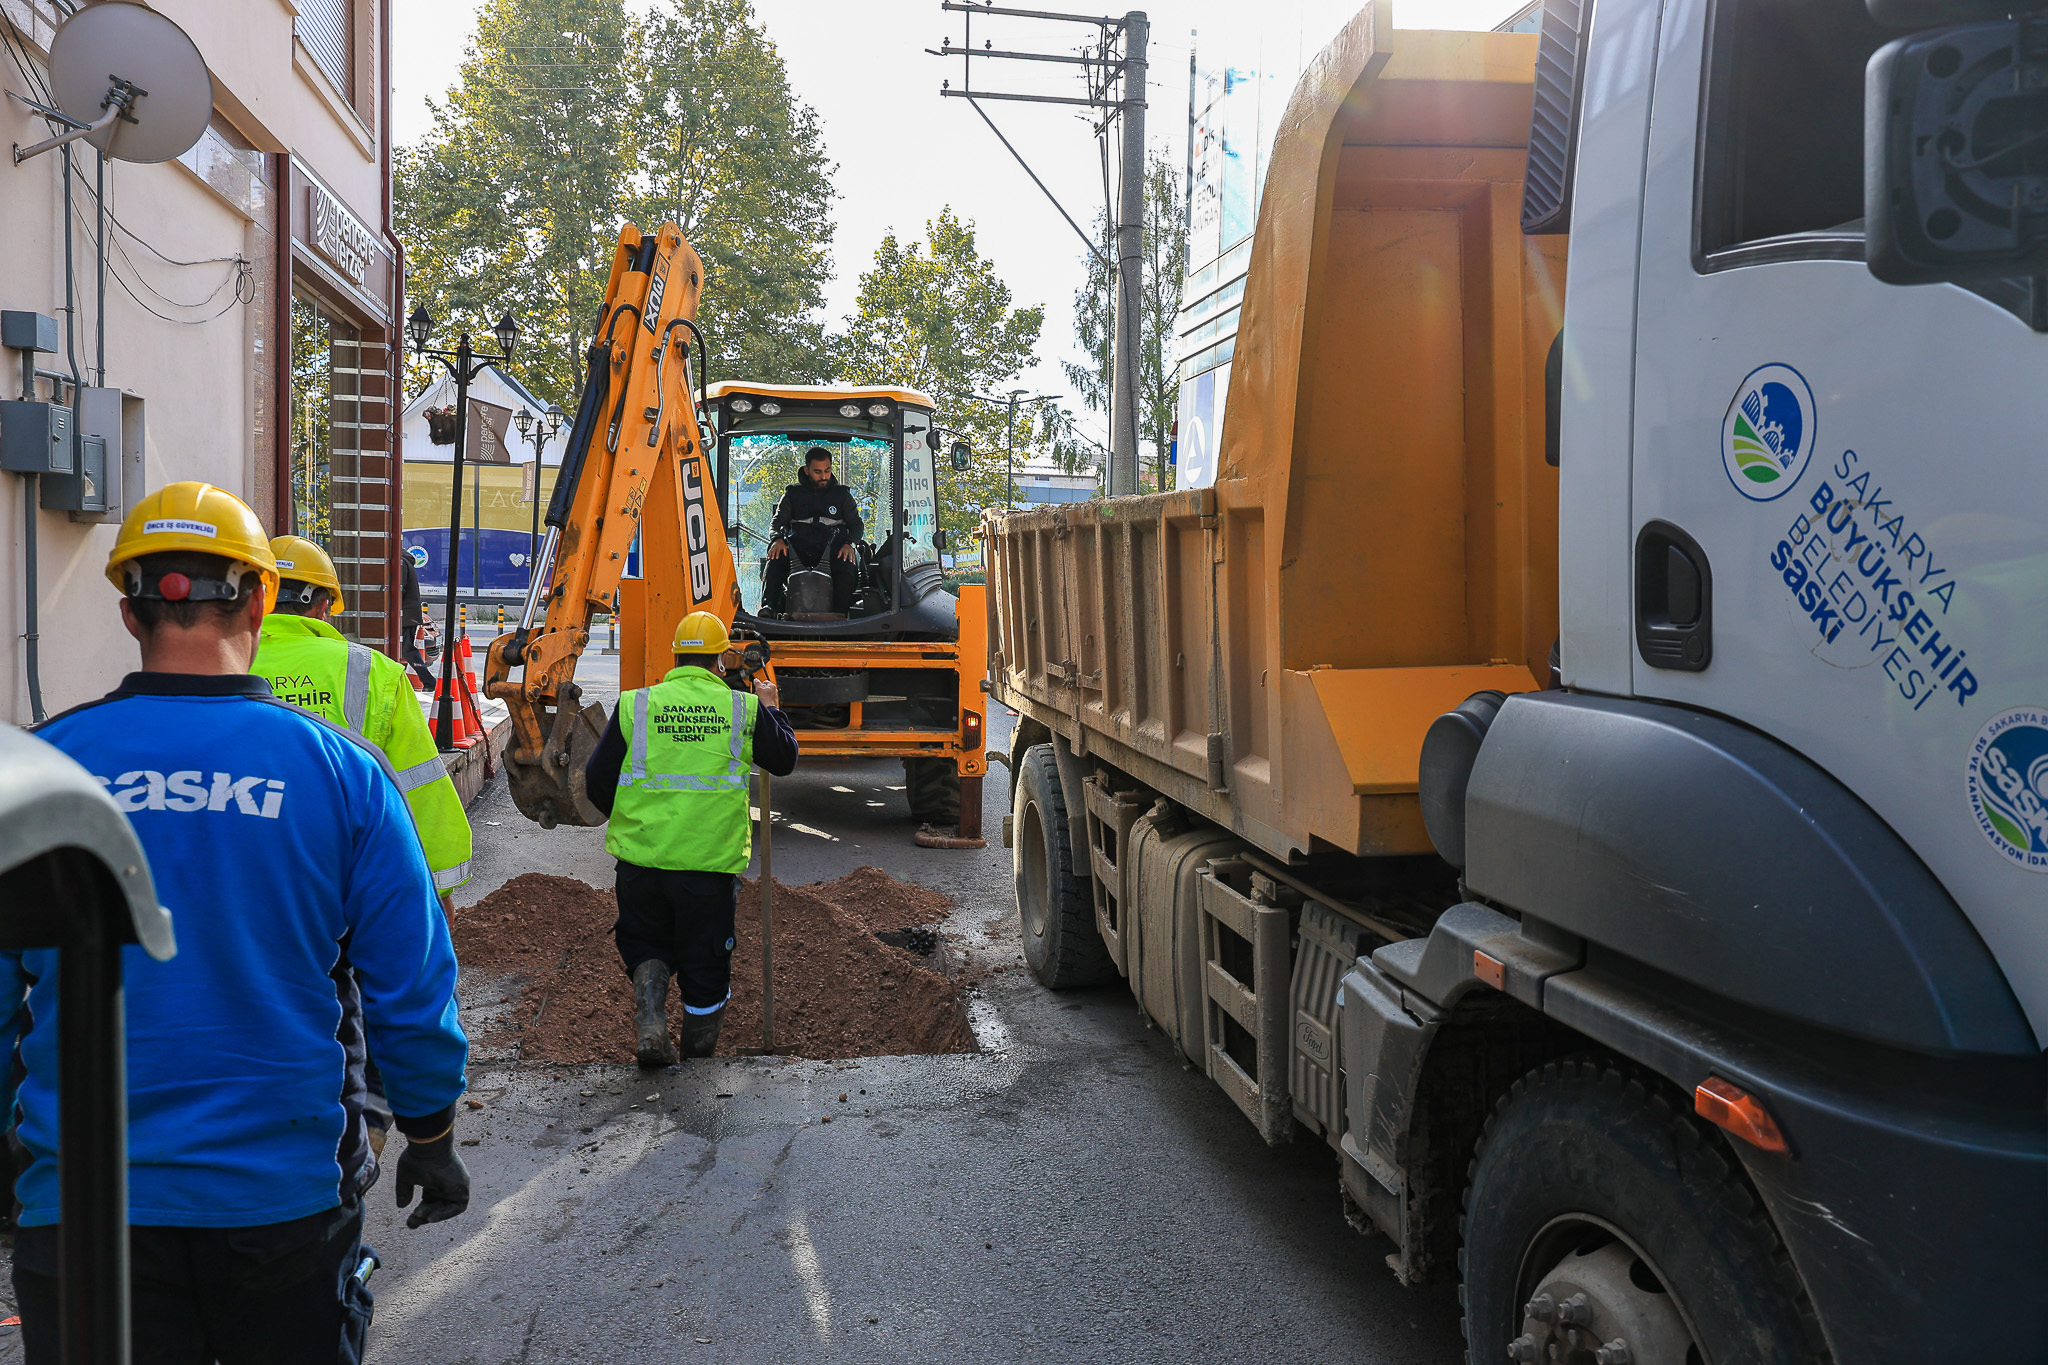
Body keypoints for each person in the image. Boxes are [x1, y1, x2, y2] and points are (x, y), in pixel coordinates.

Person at [11, 482, 471, 1363]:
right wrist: (431, 1131)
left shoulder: (47, 768)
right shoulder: (340, 773)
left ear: (126, 609)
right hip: (282, 1208)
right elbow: (411, 983)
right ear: (259, 597)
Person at [582, 611, 798, 1065]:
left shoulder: (636, 704)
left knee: (645, 943)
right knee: (705, 968)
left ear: (676, 656)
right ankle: (698, 1063)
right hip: (707, 870)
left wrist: (636, 821)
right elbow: (783, 761)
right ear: (722, 660)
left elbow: (598, 781)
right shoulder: (744, 708)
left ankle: (651, 1021)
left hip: (640, 865)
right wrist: (773, 707)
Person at [256, 535, 474, 912]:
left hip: (241, 880)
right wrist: (439, 888)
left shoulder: (215, 664)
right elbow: (418, 785)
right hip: (342, 883)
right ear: (325, 605)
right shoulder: (374, 673)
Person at [763, 445, 864, 615]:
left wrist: (850, 544)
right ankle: (769, 607)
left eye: (827, 470)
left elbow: (856, 524)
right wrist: (777, 539)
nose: (823, 476)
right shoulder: (792, 494)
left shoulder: (842, 495)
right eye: (818, 472)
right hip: (798, 549)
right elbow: (777, 522)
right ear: (807, 470)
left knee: (848, 563)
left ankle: (841, 615)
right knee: (775, 557)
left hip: (834, 550)